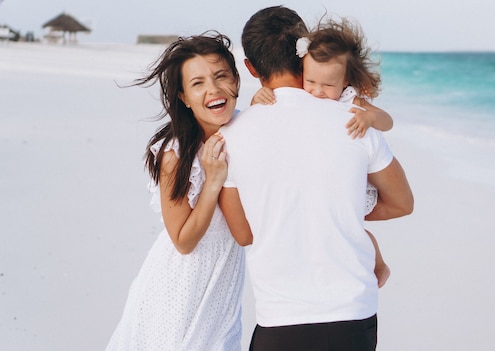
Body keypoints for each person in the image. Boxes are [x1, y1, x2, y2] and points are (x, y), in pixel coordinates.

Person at [218, 6, 414, 351]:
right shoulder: (355, 120)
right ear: (303, 58)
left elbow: (244, 233)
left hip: (281, 317)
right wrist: (337, 209)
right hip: (352, 313)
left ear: (250, 67)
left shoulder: (230, 136)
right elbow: (401, 203)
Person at [106, 32, 250, 351]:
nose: (213, 89)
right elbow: (183, 242)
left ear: (237, 80)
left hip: (223, 282)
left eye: (221, 76)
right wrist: (213, 181)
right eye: (197, 83)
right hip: (178, 287)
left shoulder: (247, 130)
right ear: (184, 97)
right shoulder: (175, 153)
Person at [251, 17, 393, 288]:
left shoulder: (351, 100)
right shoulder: (299, 97)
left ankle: (379, 265)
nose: (317, 91)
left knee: (356, 232)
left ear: (345, 81)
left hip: (354, 186)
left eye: (327, 85)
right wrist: (258, 97)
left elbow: (388, 121)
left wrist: (369, 119)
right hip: (322, 181)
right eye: (311, 80)